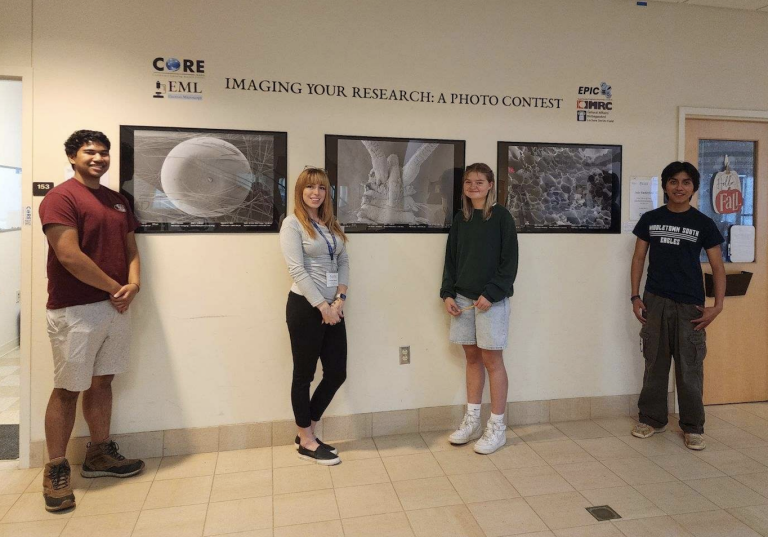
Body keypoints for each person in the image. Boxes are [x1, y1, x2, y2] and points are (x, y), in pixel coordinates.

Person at [38, 130, 145, 512]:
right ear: (72, 156)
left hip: (115, 306)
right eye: (89, 152)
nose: (98, 158)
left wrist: (133, 284)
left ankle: (99, 454)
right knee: (68, 387)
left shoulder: (117, 201)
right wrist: (116, 286)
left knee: (103, 382)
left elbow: (132, 247)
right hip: (75, 309)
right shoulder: (60, 197)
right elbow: (68, 255)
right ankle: (55, 470)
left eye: (103, 152)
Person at [630, 161, 725, 450]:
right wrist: (635, 297)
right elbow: (638, 259)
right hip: (655, 300)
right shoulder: (650, 219)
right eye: (673, 181)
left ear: (694, 187)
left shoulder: (703, 224)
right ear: (665, 186)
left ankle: (693, 427)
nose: (679, 187)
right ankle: (651, 419)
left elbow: (718, 268)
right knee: (655, 363)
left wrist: (717, 306)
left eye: (685, 182)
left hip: (690, 306)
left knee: (690, 367)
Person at [440, 163, 519, 454]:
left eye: (479, 182)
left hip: (491, 302)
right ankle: (472, 420)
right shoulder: (461, 219)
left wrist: (492, 293)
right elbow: (451, 260)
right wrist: (447, 293)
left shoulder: (501, 218)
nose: (474, 186)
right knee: (471, 358)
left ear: (490, 185)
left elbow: (508, 264)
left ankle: (497, 426)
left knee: (492, 360)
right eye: (469, 182)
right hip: (462, 300)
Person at [280, 167, 349, 465]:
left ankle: (307, 430)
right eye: (310, 187)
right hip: (306, 308)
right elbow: (297, 269)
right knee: (304, 375)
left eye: (321, 188)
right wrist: (322, 307)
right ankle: (306, 440)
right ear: (300, 191)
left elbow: (343, 261)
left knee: (336, 373)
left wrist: (339, 300)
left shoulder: (331, 224)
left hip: (334, 308)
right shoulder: (292, 224)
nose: (316, 193)